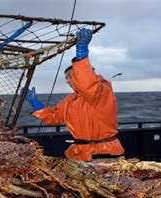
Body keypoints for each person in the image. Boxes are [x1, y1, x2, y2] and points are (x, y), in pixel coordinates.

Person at [26, 28, 124, 161]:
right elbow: (53, 118)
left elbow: (86, 83)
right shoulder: (70, 99)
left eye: (71, 76)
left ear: (89, 74)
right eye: (66, 78)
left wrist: (82, 51)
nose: (68, 81)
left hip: (105, 152)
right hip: (80, 154)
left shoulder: (102, 91)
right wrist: (36, 104)